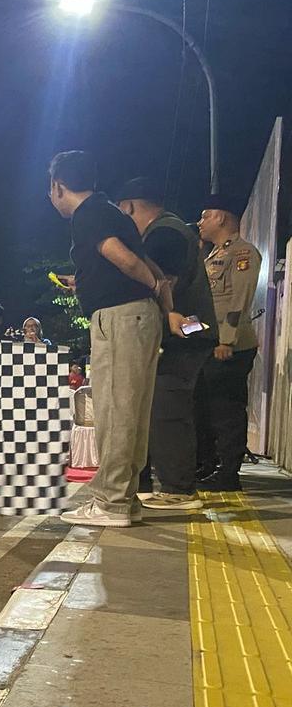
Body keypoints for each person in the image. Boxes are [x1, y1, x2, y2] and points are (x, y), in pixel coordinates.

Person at [48, 150, 184, 527]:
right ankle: (125, 498)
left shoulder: (87, 214)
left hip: (120, 318)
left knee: (114, 410)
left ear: (58, 186)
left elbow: (124, 259)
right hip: (139, 317)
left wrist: (152, 285)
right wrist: (162, 300)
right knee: (132, 411)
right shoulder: (112, 211)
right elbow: (143, 264)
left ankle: (111, 502)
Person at [114, 176, 217, 509]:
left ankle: (178, 489)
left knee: (167, 410)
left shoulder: (164, 234)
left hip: (184, 333)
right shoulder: (169, 229)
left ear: (129, 207)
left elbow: (161, 284)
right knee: (157, 408)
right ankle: (150, 484)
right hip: (185, 332)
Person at [195, 193, 263, 492]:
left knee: (227, 410)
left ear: (221, 217)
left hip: (230, 347)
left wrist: (226, 340)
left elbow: (239, 300)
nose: (200, 222)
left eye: (205, 216)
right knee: (206, 408)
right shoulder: (211, 255)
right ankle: (209, 464)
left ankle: (228, 472)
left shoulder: (242, 253)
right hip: (210, 344)